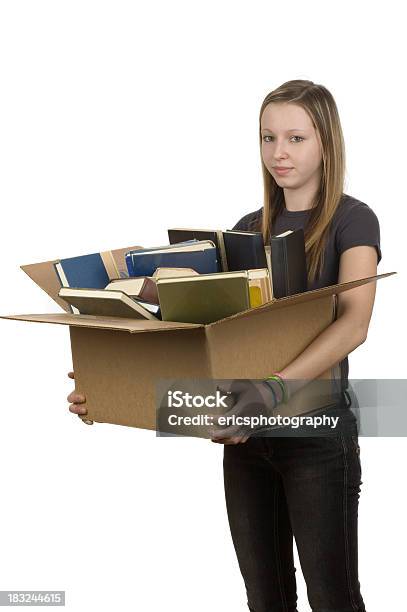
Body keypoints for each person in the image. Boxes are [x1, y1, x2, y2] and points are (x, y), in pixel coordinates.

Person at [67, 79, 381, 612]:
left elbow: (354, 324)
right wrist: (111, 390)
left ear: (326, 141)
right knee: (266, 598)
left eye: (296, 138)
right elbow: (209, 342)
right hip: (246, 439)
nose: (278, 153)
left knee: (333, 598)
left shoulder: (353, 220)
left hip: (317, 434)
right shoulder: (245, 230)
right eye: (267, 137)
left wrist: (270, 390)